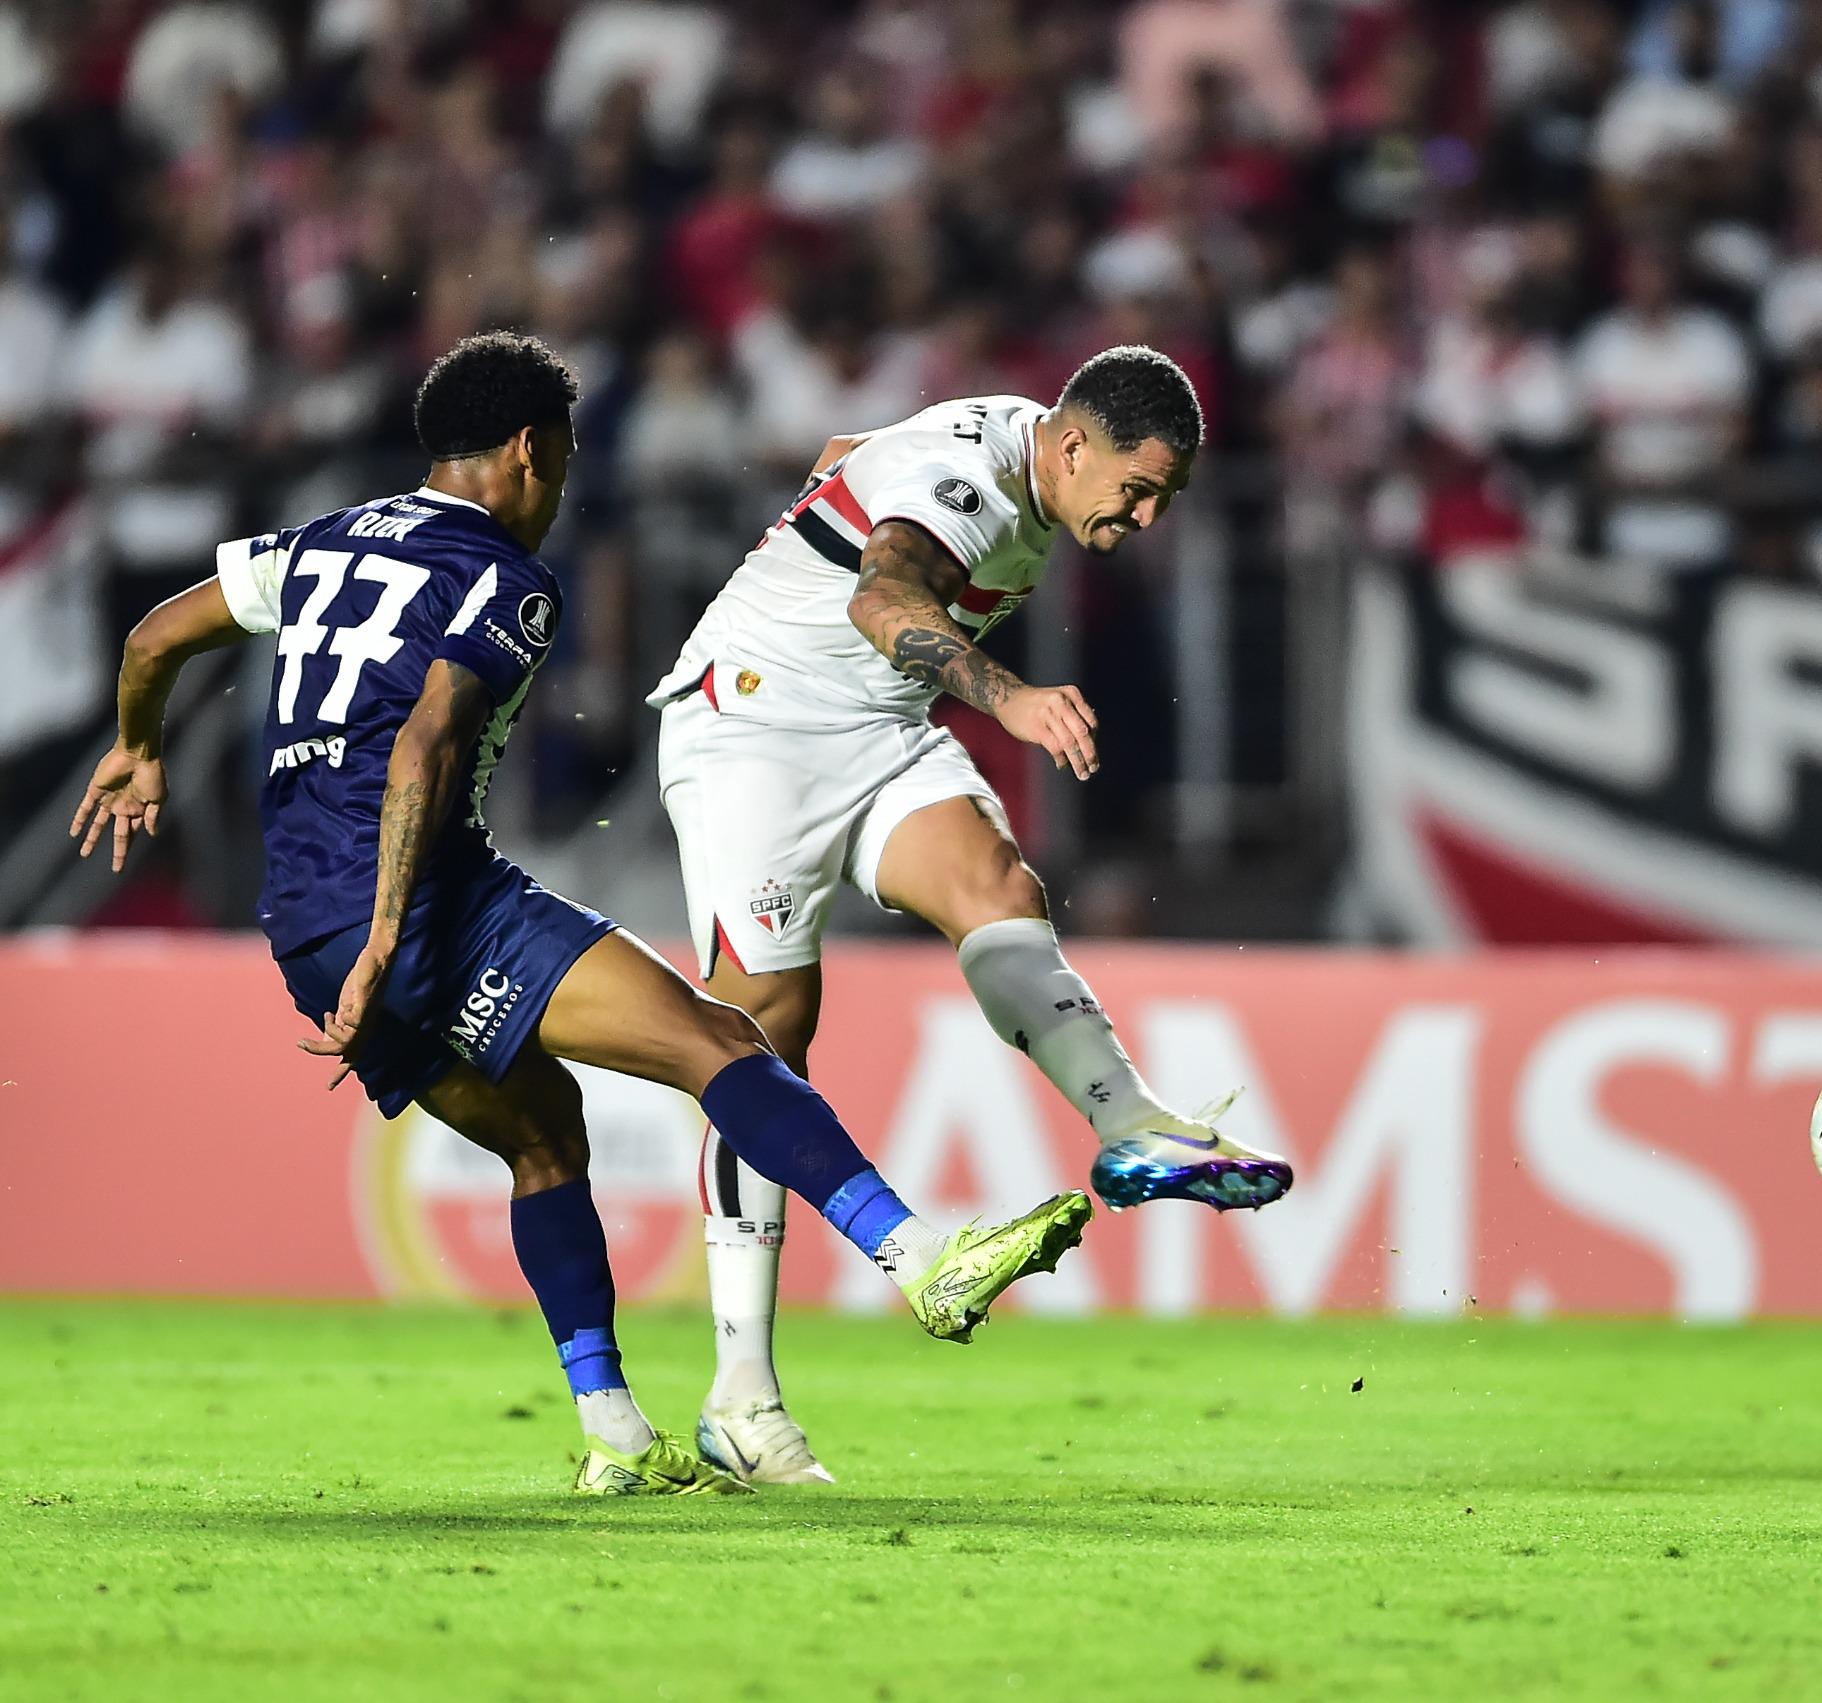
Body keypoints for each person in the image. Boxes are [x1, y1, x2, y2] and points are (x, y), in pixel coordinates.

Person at [70, 332, 1090, 1496]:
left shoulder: (318, 541)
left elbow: (156, 632)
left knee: (543, 1134)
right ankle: (923, 1258)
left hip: (302, 928)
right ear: (525, 450)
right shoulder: (507, 579)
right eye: (557, 463)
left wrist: (138, 746)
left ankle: (612, 1426)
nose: (557, 494)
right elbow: (426, 741)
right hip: (427, 905)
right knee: (723, 1041)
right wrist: (397, 936)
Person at [651, 344, 1293, 1485]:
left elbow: (854, 456)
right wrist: (1012, 695)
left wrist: (830, 489)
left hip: (876, 729)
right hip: (752, 731)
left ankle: (1132, 1123)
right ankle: (740, 1394)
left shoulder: (1019, 449)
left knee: (1000, 888)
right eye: (1136, 489)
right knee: (759, 1041)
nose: (1144, 517)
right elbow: (880, 591)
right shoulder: (985, 474)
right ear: (1074, 443)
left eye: (1164, 501)